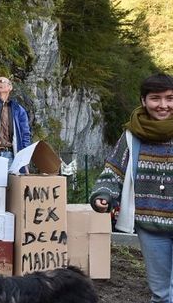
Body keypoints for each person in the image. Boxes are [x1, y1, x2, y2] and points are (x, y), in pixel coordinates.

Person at [91, 73, 173, 303]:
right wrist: (103, 194)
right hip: (150, 226)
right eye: (156, 98)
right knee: (161, 294)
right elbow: (113, 171)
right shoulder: (132, 136)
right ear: (143, 100)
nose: (163, 105)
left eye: (170, 98)